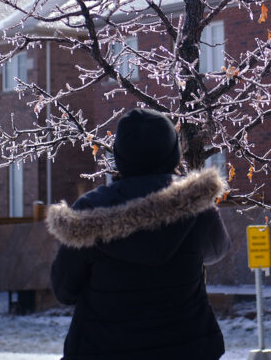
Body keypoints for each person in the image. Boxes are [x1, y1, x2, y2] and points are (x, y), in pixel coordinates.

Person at [45, 108, 231, 360]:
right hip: (187, 348)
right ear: (173, 153)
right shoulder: (196, 205)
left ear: (119, 156)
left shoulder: (88, 210)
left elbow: (64, 290)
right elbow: (217, 251)